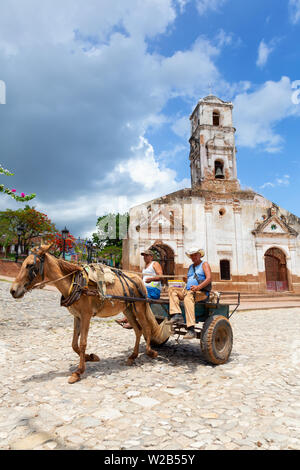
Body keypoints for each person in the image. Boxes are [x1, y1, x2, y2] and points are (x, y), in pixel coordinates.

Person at [168, 247, 212, 340]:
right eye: (192, 255)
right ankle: (176, 314)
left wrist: (198, 287)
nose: (194, 257)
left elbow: (209, 278)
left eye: (195, 255)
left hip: (201, 292)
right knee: (172, 289)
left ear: (200, 255)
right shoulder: (191, 267)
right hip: (188, 290)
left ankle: (191, 329)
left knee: (188, 297)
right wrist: (186, 280)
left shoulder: (204, 264)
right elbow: (190, 279)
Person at [115, 249, 163, 329]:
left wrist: (151, 279)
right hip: (145, 289)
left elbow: (161, 276)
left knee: (139, 300)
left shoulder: (155, 264)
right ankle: (128, 318)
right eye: (144, 256)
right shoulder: (145, 267)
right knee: (130, 296)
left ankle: (133, 321)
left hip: (153, 289)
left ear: (151, 257)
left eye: (147, 255)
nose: (145, 257)